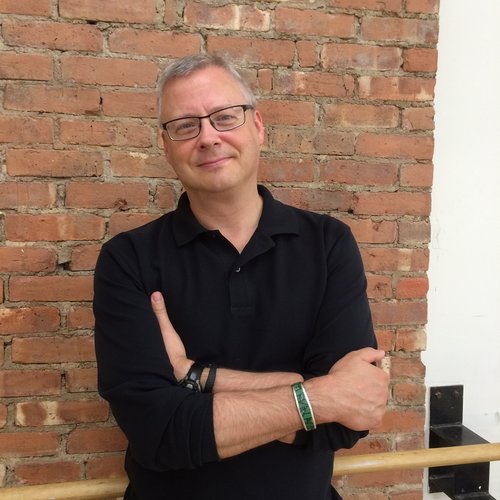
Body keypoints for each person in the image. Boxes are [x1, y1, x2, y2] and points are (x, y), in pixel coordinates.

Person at [93, 53, 389, 500]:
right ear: (166, 146)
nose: (208, 137)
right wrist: (322, 396)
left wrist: (195, 377)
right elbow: (159, 432)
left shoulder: (328, 244)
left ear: (258, 126)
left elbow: (348, 422)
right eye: (185, 125)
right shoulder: (128, 259)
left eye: (225, 117)